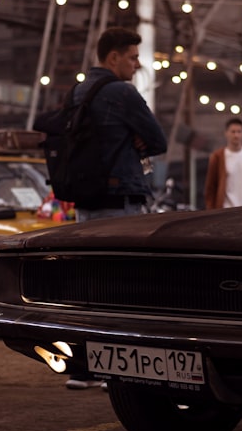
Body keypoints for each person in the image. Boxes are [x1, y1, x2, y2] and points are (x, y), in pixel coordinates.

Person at [63, 26, 167, 388]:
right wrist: (134, 139)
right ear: (113, 58)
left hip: (85, 202)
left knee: (87, 288)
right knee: (120, 289)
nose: (137, 65)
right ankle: (116, 370)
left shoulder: (77, 92)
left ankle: (82, 369)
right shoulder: (122, 92)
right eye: (133, 57)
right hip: (119, 201)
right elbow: (157, 140)